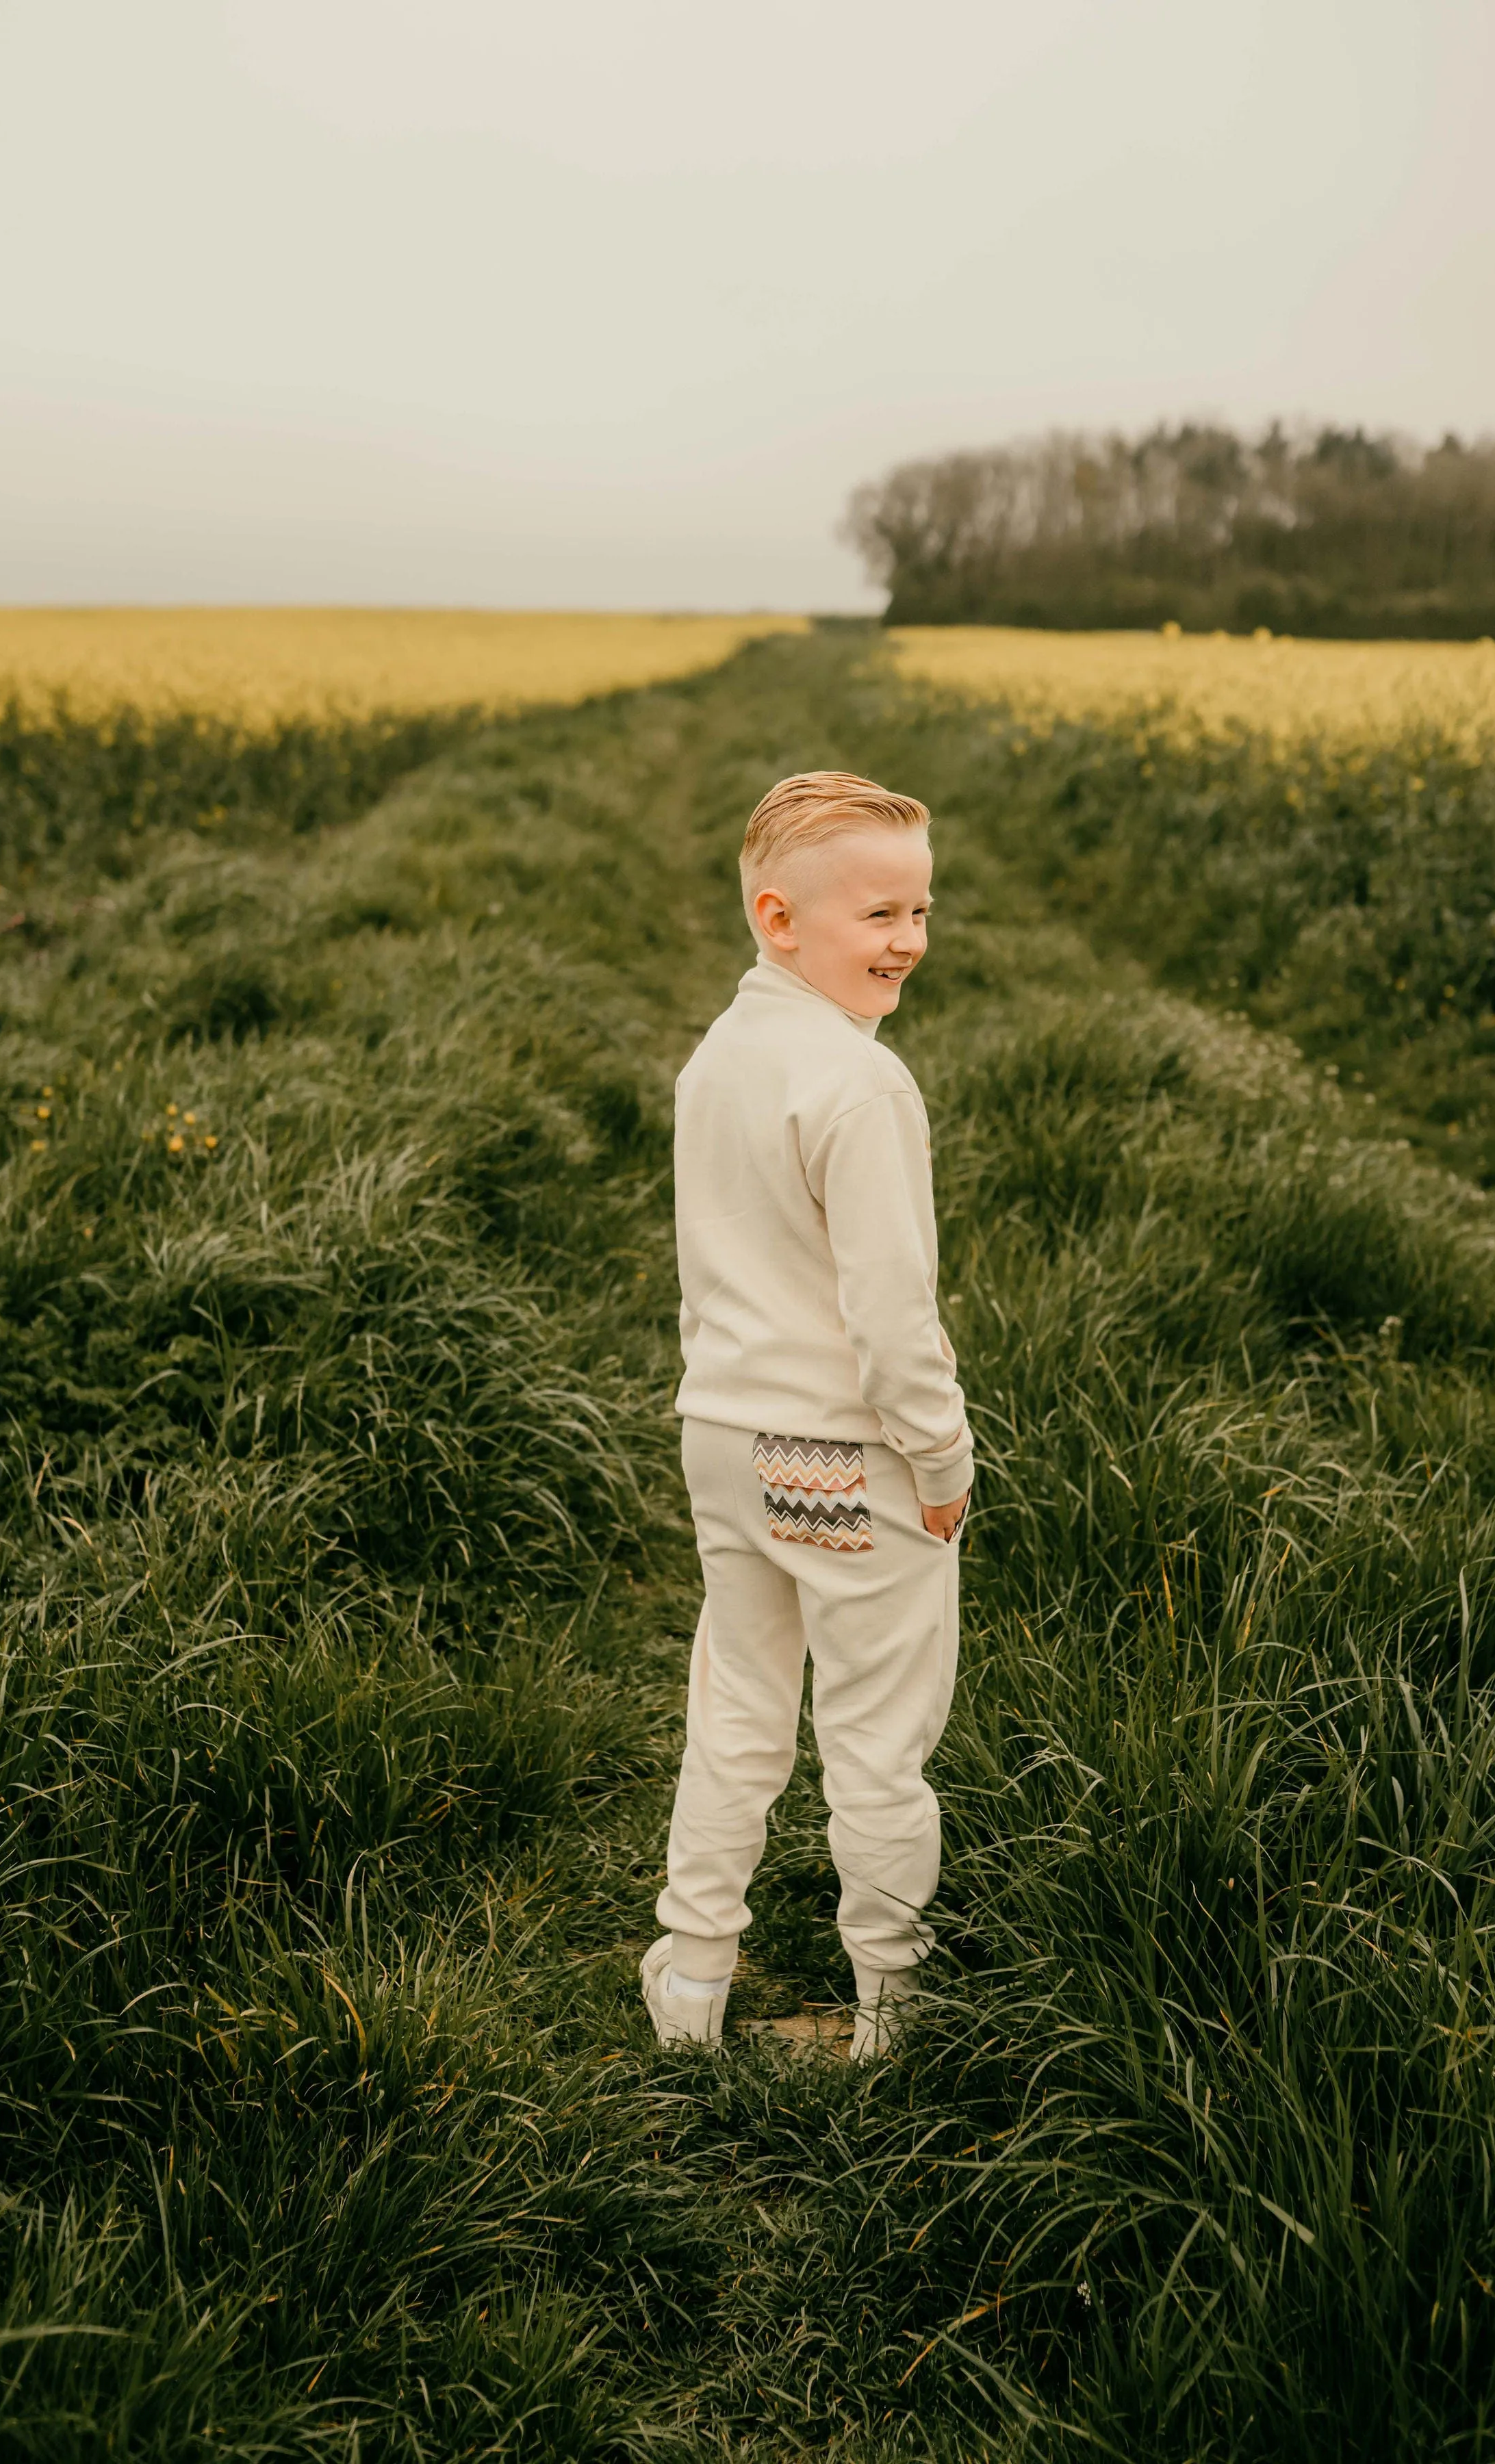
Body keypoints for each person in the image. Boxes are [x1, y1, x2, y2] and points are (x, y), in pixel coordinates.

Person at [643, 770, 973, 2062]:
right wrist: (940, 1460)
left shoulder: (718, 1058)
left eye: (922, 909)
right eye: (879, 913)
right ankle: (890, 2004)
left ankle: (692, 1977)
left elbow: (709, 1264)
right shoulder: (860, 1085)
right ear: (778, 918)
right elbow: (894, 1321)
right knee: (879, 1735)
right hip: (840, 1453)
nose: (908, 939)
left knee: (736, 1704)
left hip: (724, 1436)